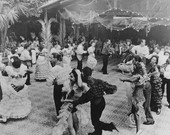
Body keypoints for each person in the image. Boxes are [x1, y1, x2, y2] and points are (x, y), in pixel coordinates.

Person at [72, 67, 118, 135]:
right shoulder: (98, 81)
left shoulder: (88, 85)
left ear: (83, 74)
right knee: (96, 119)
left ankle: (110, 126)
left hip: (96, 105)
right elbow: (113, 88)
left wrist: (76, 102)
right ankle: (97, 132)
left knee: (95, 122)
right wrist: (103, 92)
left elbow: (86, 98)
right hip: (102, 102)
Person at [0, 56, 31, 122]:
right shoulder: (23, 67)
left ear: (11, 63)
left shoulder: (9, 69)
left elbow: (4, 74)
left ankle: (5, 117)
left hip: (12, 87)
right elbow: (28, 73)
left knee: (8, 101)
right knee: (20, 100)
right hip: (22, 86)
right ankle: (20, 113)